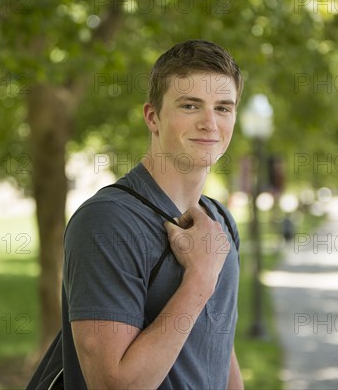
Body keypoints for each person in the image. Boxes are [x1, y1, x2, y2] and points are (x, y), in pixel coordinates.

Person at [62, 39, 245, 389]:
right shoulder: (107, 222)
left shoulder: (219, 220)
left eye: (223, 108)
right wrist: (200, 280)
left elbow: (219, 350)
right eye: (190, 106)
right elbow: (111, 384)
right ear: (153, 117)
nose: (210, 123)